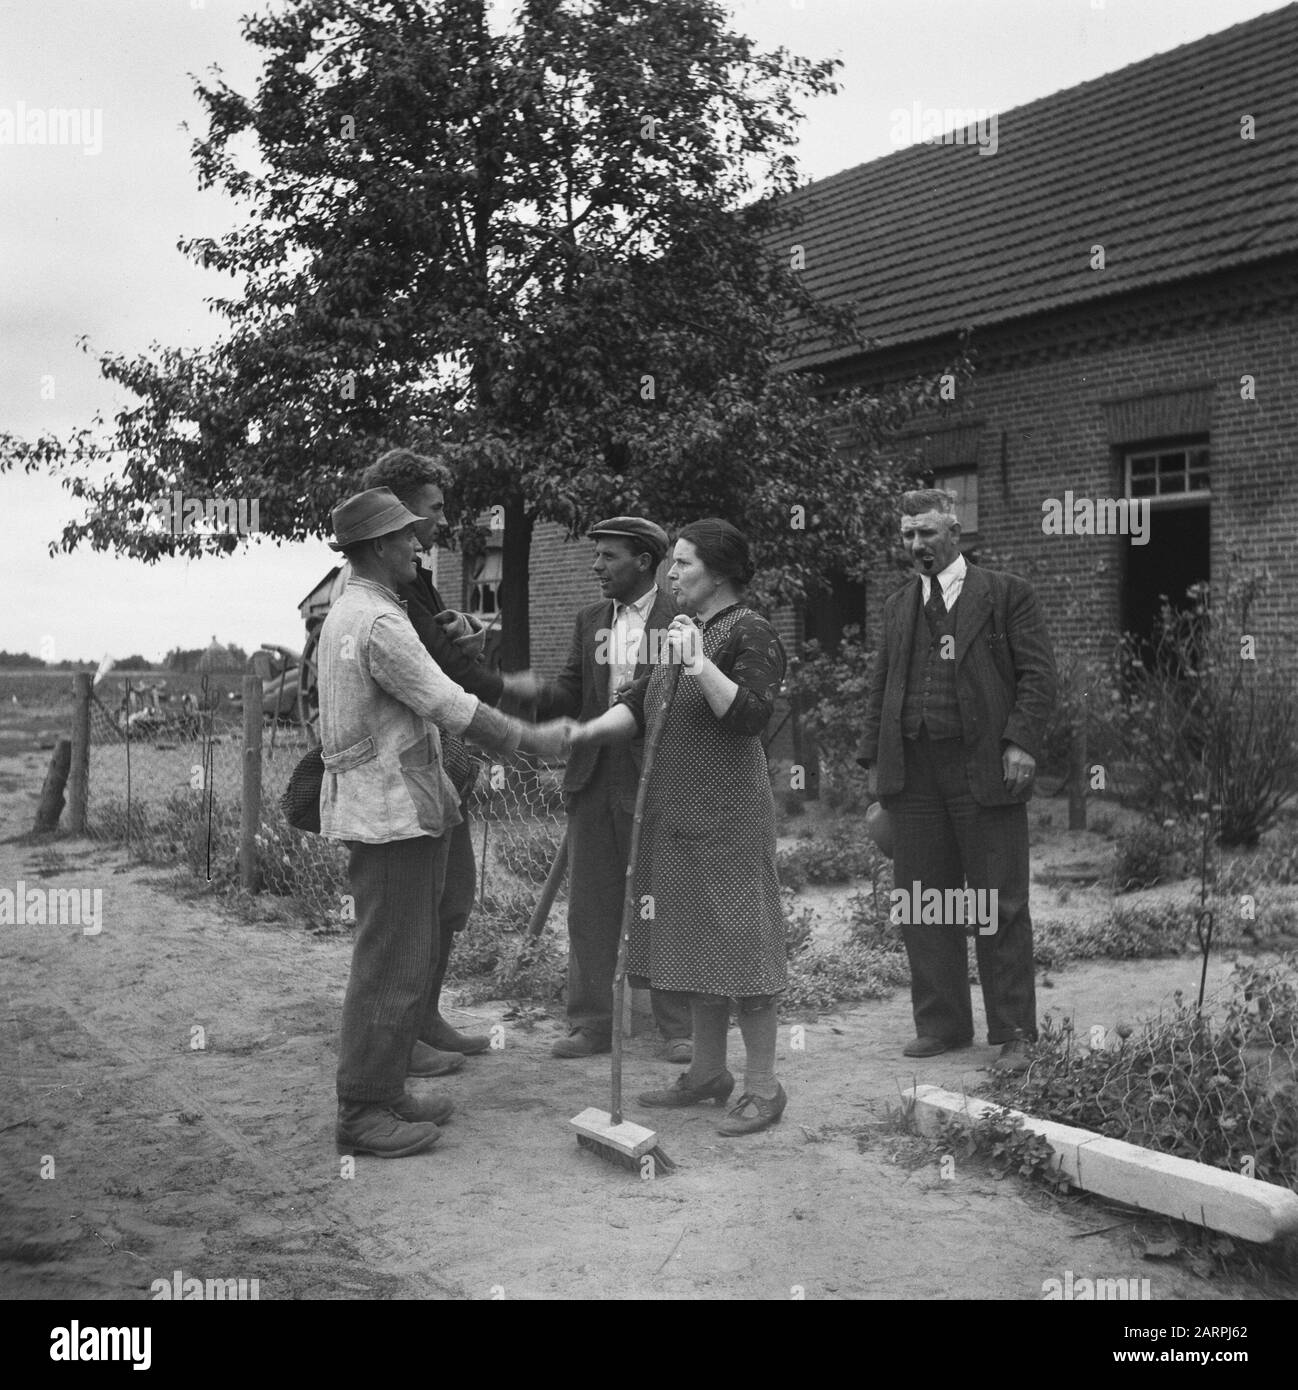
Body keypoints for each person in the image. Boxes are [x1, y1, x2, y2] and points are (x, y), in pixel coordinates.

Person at [319, 487, 571, 1158]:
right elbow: (448, 701)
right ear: (375, 548)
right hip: (390, 813)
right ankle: (363, 1111)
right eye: (405, 536)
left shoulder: (362, 608)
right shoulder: (376, 621)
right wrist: (533, 739)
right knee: (390, 961)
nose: (419, 544)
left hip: (399, 804)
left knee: (403, 952)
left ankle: (385, 1089)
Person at [568, 518, 788, 1136]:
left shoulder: (751, 631)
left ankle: (765, 1087)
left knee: (742, 948)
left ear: (718, 572)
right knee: (695, 945)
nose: (671, 574)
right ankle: (708, 1075)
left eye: (684, 564)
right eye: (671, 563)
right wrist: (581, 733)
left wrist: (698, 664)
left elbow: (748, 717)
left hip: (729, 821)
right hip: (677, 818)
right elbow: (636, 705)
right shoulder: (682, 631)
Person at [856, 487, 1057, 1073]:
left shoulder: (1005, 595)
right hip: (913, 774)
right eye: (907, 535)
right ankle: (943, 1023)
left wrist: (1020, 741)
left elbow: (1039, 676)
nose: (916, 545)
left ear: (955, 533)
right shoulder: (898, 606)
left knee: (999, 900)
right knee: (924, 902)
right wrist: (874, 763)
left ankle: (1015, 1032)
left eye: (927, 533)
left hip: (984, 769)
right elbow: (881, 687)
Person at [359, 448, 539, 1075]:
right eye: (433, 509)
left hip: (439, 770)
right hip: (403, 777)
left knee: (450, 898)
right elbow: (444, 679)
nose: (441, 521)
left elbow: (443, 650)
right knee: (406, 917)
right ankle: (395, 1042)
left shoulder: (414, 576)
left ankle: (423, 1018)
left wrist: (464, 629)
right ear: (399, 511)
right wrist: (523, 721)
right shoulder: (384, 593)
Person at [525, 518, 694, 1061]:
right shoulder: (590, 620)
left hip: (660, 776)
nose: (596, 566)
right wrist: (525, 703)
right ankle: (592, 1022)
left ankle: (679, 1027)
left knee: (663, 900)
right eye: (596, 556)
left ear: (644, 561)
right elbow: (574, 690)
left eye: (608, 557)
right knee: (591, 904)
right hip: (595, 776)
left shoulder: (683, 619)